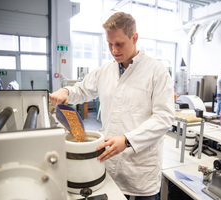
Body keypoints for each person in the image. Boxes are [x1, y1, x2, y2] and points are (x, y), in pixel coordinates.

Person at [50, 12, 174, 200]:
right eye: (109, 44)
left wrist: (127, 139)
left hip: (141, 167)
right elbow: (82, 89)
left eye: (119, 44)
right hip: (110, 163)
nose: (114, 50)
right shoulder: (105, 70)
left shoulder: (156, 71)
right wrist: (66, 92)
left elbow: (164, 117)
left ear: (135, 38)